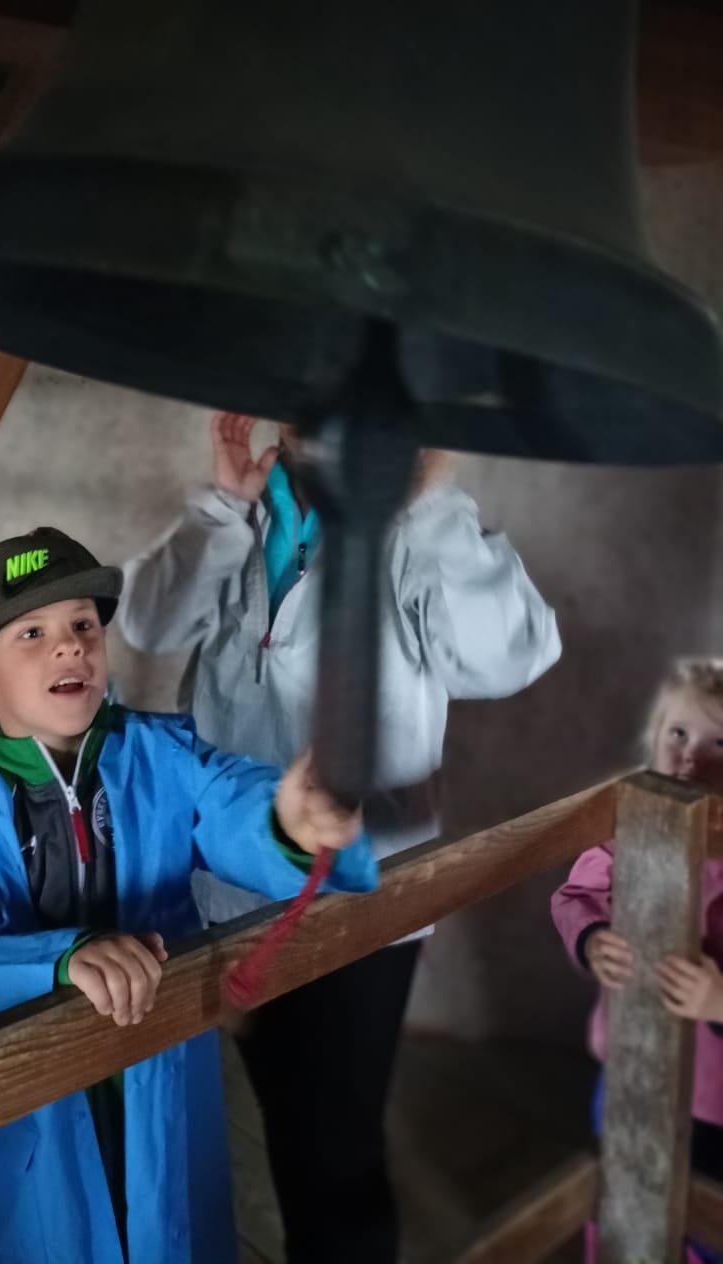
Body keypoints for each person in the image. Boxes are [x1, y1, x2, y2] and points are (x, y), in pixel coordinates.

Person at [118, 412, 561, 1262]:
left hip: (366, 893)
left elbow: (509, 654)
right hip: (232, 881)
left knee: (334, 1145)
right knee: (265, 1109)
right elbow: (148, 621)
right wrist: (222, 507)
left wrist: (432, 505)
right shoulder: (245, 518)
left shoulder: (412, 527)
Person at [0, 526, 378, 1264]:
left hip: (153, 1076)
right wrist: (61, 961)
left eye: (84, 625)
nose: (70, 647)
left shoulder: (157, 755)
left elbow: (225, 802)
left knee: (163, 1219)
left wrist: (289, 822)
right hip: (29, 1109)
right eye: (32, 633)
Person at [553, 658, 723, 1264]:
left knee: (702, 1217)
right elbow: (577, 895)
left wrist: (719, 999)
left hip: (716, 1098)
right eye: (677, 732)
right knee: (624, 1190)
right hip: (632, 1058)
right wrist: (593, 937)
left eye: (718, 742)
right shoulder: (631, 820)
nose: (689, 755)